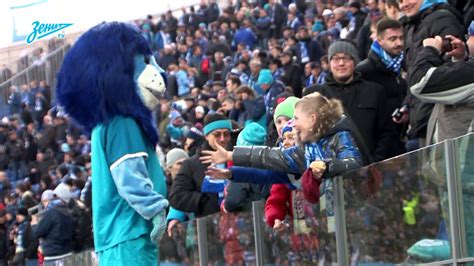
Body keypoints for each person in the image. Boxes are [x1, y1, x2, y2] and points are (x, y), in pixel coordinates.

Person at [304, 40, 395, 162]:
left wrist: (376, 161)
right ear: (329, 63)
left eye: (346, 58)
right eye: (336, 59)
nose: (341, 63)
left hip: (369, 168)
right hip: (329, 171)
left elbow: (386, 132)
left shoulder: (375, 91)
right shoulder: (314, 94)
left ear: (355, 62)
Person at [356, 18, 407, 156]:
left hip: (404, 139)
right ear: (379, 40)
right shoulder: (365, 71)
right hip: (381, 147)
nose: (399, 43)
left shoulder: (407, 63)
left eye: (401, 38)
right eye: (393, 39)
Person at [169, 114, 233, 217]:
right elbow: (176, 196)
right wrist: (203, 201)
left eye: (226, 134)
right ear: (206, 136)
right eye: (217, 134)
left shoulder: (234, 157)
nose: (222, 139)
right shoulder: (191, 164)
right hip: (208, 224)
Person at [33, 184, 74, 263]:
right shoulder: (69, 212)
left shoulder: (52, 213)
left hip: (53, 255)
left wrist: (34, 224)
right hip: (67, 252)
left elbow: (38, 232)